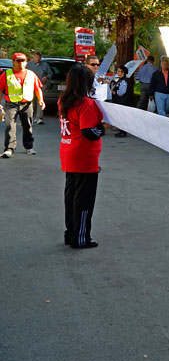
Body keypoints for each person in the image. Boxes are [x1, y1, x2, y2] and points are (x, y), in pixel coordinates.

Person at [58, 64, 105, 249]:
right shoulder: (86, 103)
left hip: (68, 151)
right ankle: (81, 237)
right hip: (84, 156)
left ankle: (71, 233)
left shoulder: (64, 100)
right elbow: (89, 132)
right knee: (84, 200)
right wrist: (101, 129)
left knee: (71, 197)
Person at [1, 52, 45, 158]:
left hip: (26, 104)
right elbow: (0, 89)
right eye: (18, 61)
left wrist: (41, 100)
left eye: (23, 61)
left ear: (26, 62)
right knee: (10, 126)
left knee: (27, 126)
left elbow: (37, 88)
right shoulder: (6, 74)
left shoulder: (31, 74)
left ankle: (28, 146)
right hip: (11, 104)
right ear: (13, 62)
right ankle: (9, 148)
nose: (21, 63)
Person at [28, 51, 52, 125]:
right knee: (32, 102)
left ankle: (39, 118)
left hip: (41, 85)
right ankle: (30, 117)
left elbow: (50, 73)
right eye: (36, 56)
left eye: (39, 57)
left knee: (40, 101)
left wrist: (47, 77)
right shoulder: (29, 64)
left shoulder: (45, 65)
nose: (38, 58)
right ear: (34, 57)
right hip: (31, 85)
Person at [110, 65, 134, 138]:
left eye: (119, 71)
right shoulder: (120, 80)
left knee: (122, 117)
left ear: (123, 73)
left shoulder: (124, 81)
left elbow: (122, 92)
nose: (117, 72)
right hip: (120, 101)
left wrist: (114, 92)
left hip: (123, 101)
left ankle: (123, 132)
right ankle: (121, 131)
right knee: (120, 117)